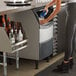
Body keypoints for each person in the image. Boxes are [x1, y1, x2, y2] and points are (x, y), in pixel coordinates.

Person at [39, 0, 76, 73]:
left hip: (73, 9)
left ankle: (65, 65)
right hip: (74, 7)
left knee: (68, 38)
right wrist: (48, 5)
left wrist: (46, 20)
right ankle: (70, 60)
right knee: (72, 37)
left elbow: (58, 9)